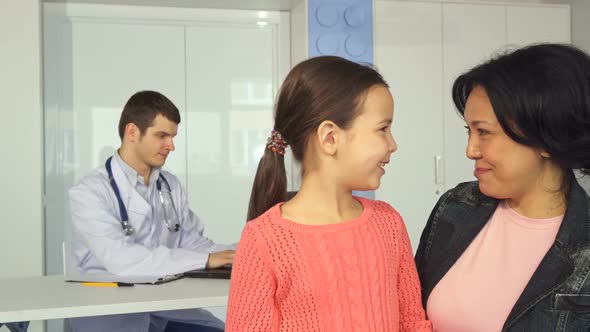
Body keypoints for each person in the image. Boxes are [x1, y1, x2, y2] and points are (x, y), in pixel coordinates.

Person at [225, 56, 432, 331]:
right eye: (383, 129)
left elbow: (412, 322)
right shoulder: (263, 240)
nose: (392, 144)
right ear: (330, 138)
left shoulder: (389, 224)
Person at [415, 43, 590, 331]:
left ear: (544, 137)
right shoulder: (455, 207)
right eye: (469, 131)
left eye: (484, 132)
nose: (471, 150)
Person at [67, 90, 235, 332]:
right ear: (132, 132)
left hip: (163, 306)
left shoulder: (170, 185)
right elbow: (122, 261)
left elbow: (189, 241)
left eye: (173, 136)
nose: (171, 146)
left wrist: (242, 251)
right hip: (111, 314)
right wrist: (207, 259)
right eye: (162, 135)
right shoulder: (89, 192)